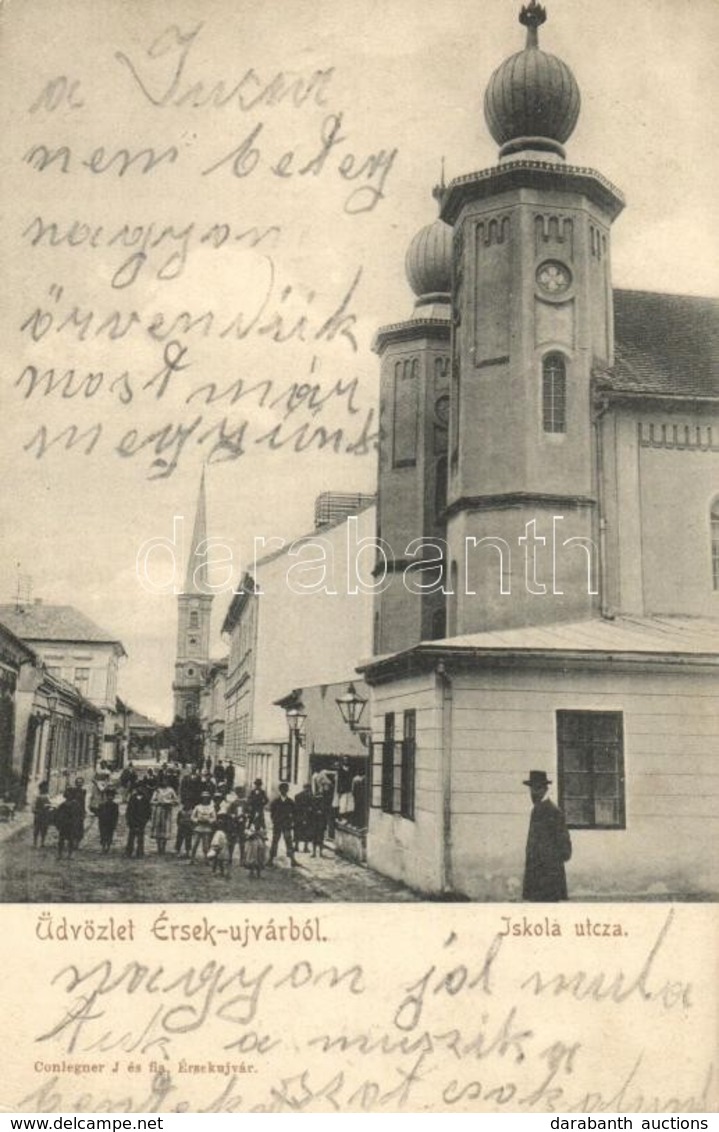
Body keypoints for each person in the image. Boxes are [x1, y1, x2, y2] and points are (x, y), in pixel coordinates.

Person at [522, 770, 572, 902]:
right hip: (536, 872)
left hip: (548, 874)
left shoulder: (553, 811)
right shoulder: (537, 809)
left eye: (537, 788)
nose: (533, 793)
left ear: (545, 789)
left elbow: (564, 843)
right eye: (531, 789)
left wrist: (553, 863)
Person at [268, 782, 298, 867]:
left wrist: (291, 821)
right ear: (280, 790)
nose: (284, 791)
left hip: (287, 825)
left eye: (286, 789)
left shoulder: (290, 802)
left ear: (287, 790)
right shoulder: (275, 801)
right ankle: (271, 859)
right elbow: (272, 813)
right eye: (282, 790)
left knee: (289, 842)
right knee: (275, 842)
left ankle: (292, 859)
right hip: (278, 824)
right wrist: (275, 820)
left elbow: (295, 813)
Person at [150, 776, 178, 855]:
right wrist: (158, 803)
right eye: (163, 781)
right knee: (158, 827)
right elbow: (152, 801)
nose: (164, 782)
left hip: (167, 810)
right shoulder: (157, 790)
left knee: (165, 827)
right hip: (159, 810)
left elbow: (176, 801)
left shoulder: (171, 790)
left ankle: (164, 847)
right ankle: (159, 847)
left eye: (166, 780)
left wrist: (170, 802)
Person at [125, 784, 152, 858]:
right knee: (131, 837)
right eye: (138, 788)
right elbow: (129, 810)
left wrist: (145, 820)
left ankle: (140, 852)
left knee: (140, 838)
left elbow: (148, 811)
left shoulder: (145, 799)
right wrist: (129, 819)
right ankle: (129, 852)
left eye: (141, 787)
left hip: (141, 821)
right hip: (133, 820)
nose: (140, 789)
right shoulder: (132, 798)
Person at [54, 788, 81, 859]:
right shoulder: (62, 805)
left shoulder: (76, 804)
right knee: (61, 839)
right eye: (67, 793)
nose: (68, 795)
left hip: (71, 824)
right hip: (64, 824)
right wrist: (58, 823)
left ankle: (70, 854)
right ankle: (60, 854)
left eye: (70, 794)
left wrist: (76, 824)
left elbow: (78, 815)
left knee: (71, 840)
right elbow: (58, 814)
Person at [190, 790, 216, 861]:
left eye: (206, 798)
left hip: (207, 827)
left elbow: (214, 818)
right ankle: (192, 858)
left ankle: (206, 859)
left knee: (206, 845)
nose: (205, 799)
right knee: (195, 844)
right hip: (198, 826)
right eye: (204, 798)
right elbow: (192, 817)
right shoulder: (197, 807)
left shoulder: (211, 807)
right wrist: (197, 820)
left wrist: (209, 821)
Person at [97, 787, 119, 853]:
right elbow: (99, 813)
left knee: (110, 834)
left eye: (111, 796)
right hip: (103, 823)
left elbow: (116, 815)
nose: (110, 798)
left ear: (113, 797)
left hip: (111, 822)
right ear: (106, 797)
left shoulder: (115, 805)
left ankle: (108, 847)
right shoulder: (102, 805)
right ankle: (103, 847)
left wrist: (115, 823)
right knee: (103, 834)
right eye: (109, 796)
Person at [293, 783, 314, 853]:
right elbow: (311, 807)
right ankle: (303, 847)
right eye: (307, 788)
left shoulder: (297, 796)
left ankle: (298, 847)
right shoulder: (310, 797)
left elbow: (295, 807)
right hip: (305, 816)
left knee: (299, 831)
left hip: (300, 816)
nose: (307, 790)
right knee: (305, 832)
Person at [32, 781, 53, 848]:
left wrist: (49, 807)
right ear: (41, 788)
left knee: (44, 829)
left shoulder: (47, 796)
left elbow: (50, 804)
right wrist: (36, 811)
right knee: (37, 829)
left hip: (45, 815)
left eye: (46, 787)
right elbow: (33, 806)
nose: (45, 789)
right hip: (39, 814)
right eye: (44, 787)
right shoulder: (37, 796)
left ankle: (42, 842)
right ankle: (35, 843)